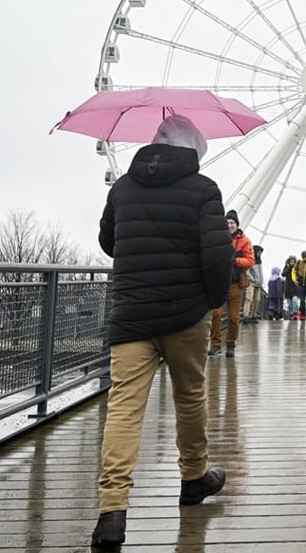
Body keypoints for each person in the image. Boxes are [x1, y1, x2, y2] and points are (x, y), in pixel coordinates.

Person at [92, 115, 232, 549]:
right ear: (193, 148)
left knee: (124, 408)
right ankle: (193, 477)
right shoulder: (203, 190)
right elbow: (217, 257)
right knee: (189, 397)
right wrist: (209, 302)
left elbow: (107, 242)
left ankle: (112, 510)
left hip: (131, 313)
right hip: (184, 313)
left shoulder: (122, 188)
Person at [209, 209, 254, 356]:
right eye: (227, 222)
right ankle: (215, 344)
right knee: (216, 314)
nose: (229, 225)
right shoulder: (217, 239)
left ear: (237, 224)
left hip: (235, 284)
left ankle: (230, 345)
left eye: (232, 222)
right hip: (219, 283)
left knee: (234, 318)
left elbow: (250, 261)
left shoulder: (245, 241)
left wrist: (234, 261)